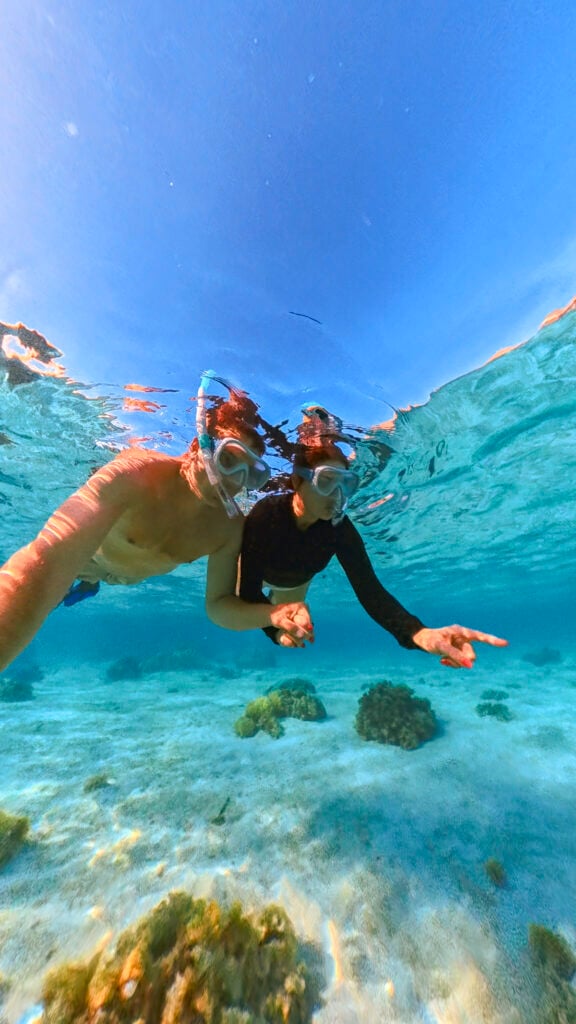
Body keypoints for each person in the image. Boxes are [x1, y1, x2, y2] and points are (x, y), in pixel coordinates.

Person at [0, 372, 313, 673]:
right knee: (51, 592)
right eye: (228, 460)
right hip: (88, 566)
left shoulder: (228, 527)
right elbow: (45, 560)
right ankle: (84, 586)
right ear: (197, 447)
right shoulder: (136, 476)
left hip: (128, 578)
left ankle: (87, 589)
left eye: (251, 474)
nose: (234, 482)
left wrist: (272, 614)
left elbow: (219, 605)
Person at [239, 440, 508, 668]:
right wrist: (273, 631)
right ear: (298, 480)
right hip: (261, 572)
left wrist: (418, 634)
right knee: (245, 605)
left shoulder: (339, 529)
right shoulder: (266, 515)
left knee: (291, 625)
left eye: (345, 484)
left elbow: (370, 591)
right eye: (326, 481)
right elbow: (249, 593)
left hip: (295, 582)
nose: (336, 495)